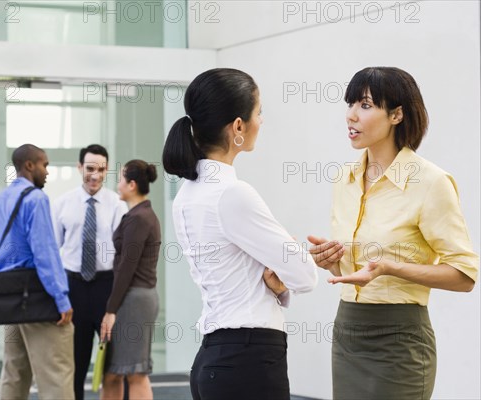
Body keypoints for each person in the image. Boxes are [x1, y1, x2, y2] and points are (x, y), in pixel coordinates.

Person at [308, 67, 479, 399]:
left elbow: (465, 275)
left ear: (397, 114)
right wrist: (330, 262)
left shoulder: (430, 182)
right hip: (348, 332)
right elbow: (351, 271)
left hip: (400, 339)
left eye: (366, 105)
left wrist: (389, 268)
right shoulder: (343, 179)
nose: (351, 116)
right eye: (350, 104)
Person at [162, 68, 318, 400]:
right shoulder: (233, 194)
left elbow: (241, 271)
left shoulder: (187, 195)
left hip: (215, 357)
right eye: (258, 113)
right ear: (237, 127)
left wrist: (278, 283)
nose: (261, 121)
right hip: (250, 360)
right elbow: (305, 276)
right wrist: (290, 249)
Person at [0, 144, 74, 400]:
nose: (47, 171)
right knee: (56, 375)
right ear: (29, 165)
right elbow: (45, 253)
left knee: (14, 374)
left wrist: (6, 279)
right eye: (44, 165)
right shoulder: (36, 199)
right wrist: (61, 298)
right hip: (38, 297)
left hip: (10, 302)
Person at [52, 144, 127, 399]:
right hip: (74, 287)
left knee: (115, 362)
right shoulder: (62, 204)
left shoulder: (117, 204)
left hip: (106, 287)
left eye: (101, 169)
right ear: (79, 167)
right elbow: (53, 250)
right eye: (90, 168)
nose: (95, 175)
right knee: (75, 361)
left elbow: (123, 254)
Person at [99, 159, 161, 400]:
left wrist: (110, 310)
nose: (118, 183)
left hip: (134, 300)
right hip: (135, 298)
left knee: (136, 372)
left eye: (121, 179)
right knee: (117, 371)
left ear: (132, 184)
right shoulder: (139, 215)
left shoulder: (139, 218)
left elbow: (126, 267)